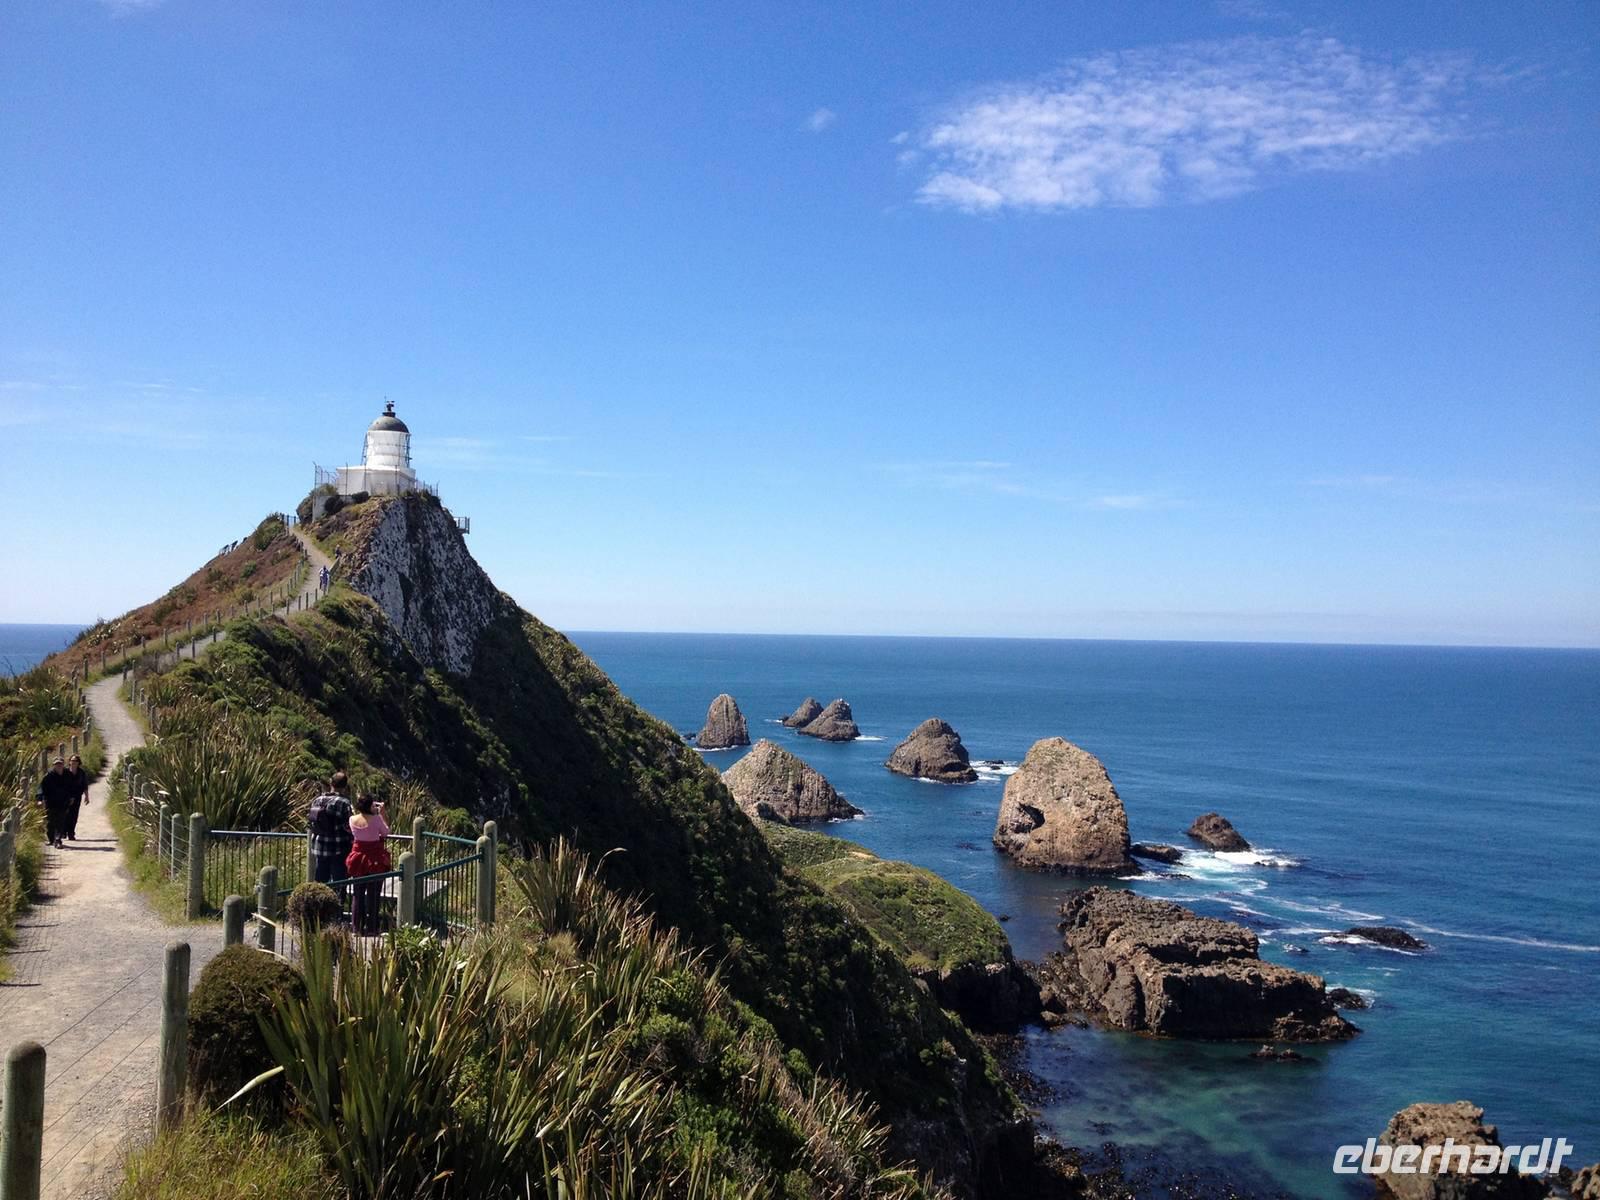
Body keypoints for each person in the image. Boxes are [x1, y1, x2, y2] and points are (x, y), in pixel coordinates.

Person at [346, 794, 391, 937]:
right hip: (374, 859)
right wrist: (383, 813)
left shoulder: (352, 819)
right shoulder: (376, 819)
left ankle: (356, 928)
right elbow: (386, 832)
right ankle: (372, 928)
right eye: (373, 805)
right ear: (370, 806)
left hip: (358, 858)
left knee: (358, 894)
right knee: (374, 894)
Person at [308, 771, 354, 885]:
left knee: (321, 883)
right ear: (345, 786)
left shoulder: (317, 800)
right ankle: (339, 897)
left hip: (319, 846)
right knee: (339, 882)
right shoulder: (344, 803)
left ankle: (320, 897)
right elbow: (349, 826)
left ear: (331, 782)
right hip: (337, 848)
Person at [37, 757, 75, 849]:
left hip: (63, 802)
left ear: (63, 765)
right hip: (50, 802)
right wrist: (40, 799)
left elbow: (72, 787)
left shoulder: (68, 775)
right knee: (50, 822)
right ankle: (51, 839)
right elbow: (41, 788)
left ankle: (58, 840)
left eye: (60, 764)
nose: (59, 766)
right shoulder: (48, 776)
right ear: (54, 765)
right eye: (57, 764)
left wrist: (72, 797)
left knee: (60, 821)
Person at [64, 754, 90, 841]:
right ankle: (64, 831)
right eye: (72, 761)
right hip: (66, 796)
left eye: (75, 761)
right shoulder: (65, 772)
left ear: (78, 763)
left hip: (77, 796)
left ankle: (71, 833)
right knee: (65, 814)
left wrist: (86, 796)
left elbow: (84, 785)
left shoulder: (81, 773)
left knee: (74, 815)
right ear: (69, 762)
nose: (73, 762)